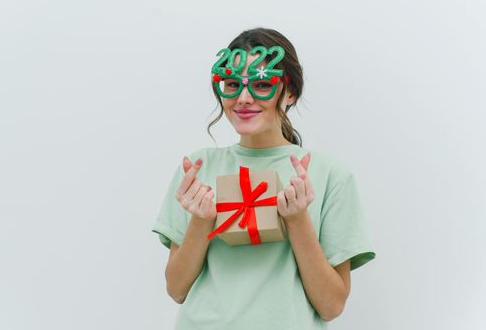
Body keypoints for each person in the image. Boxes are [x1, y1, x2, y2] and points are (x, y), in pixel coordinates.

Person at [151, 27, 376, 329]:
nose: (244, 98)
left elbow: (332, 305)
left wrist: (297, 220)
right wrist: (201, 220)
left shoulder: (330, 175)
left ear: (291, 92)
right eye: (232, 84)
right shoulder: (197, 168)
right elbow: (176, 289)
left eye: (261, 84)